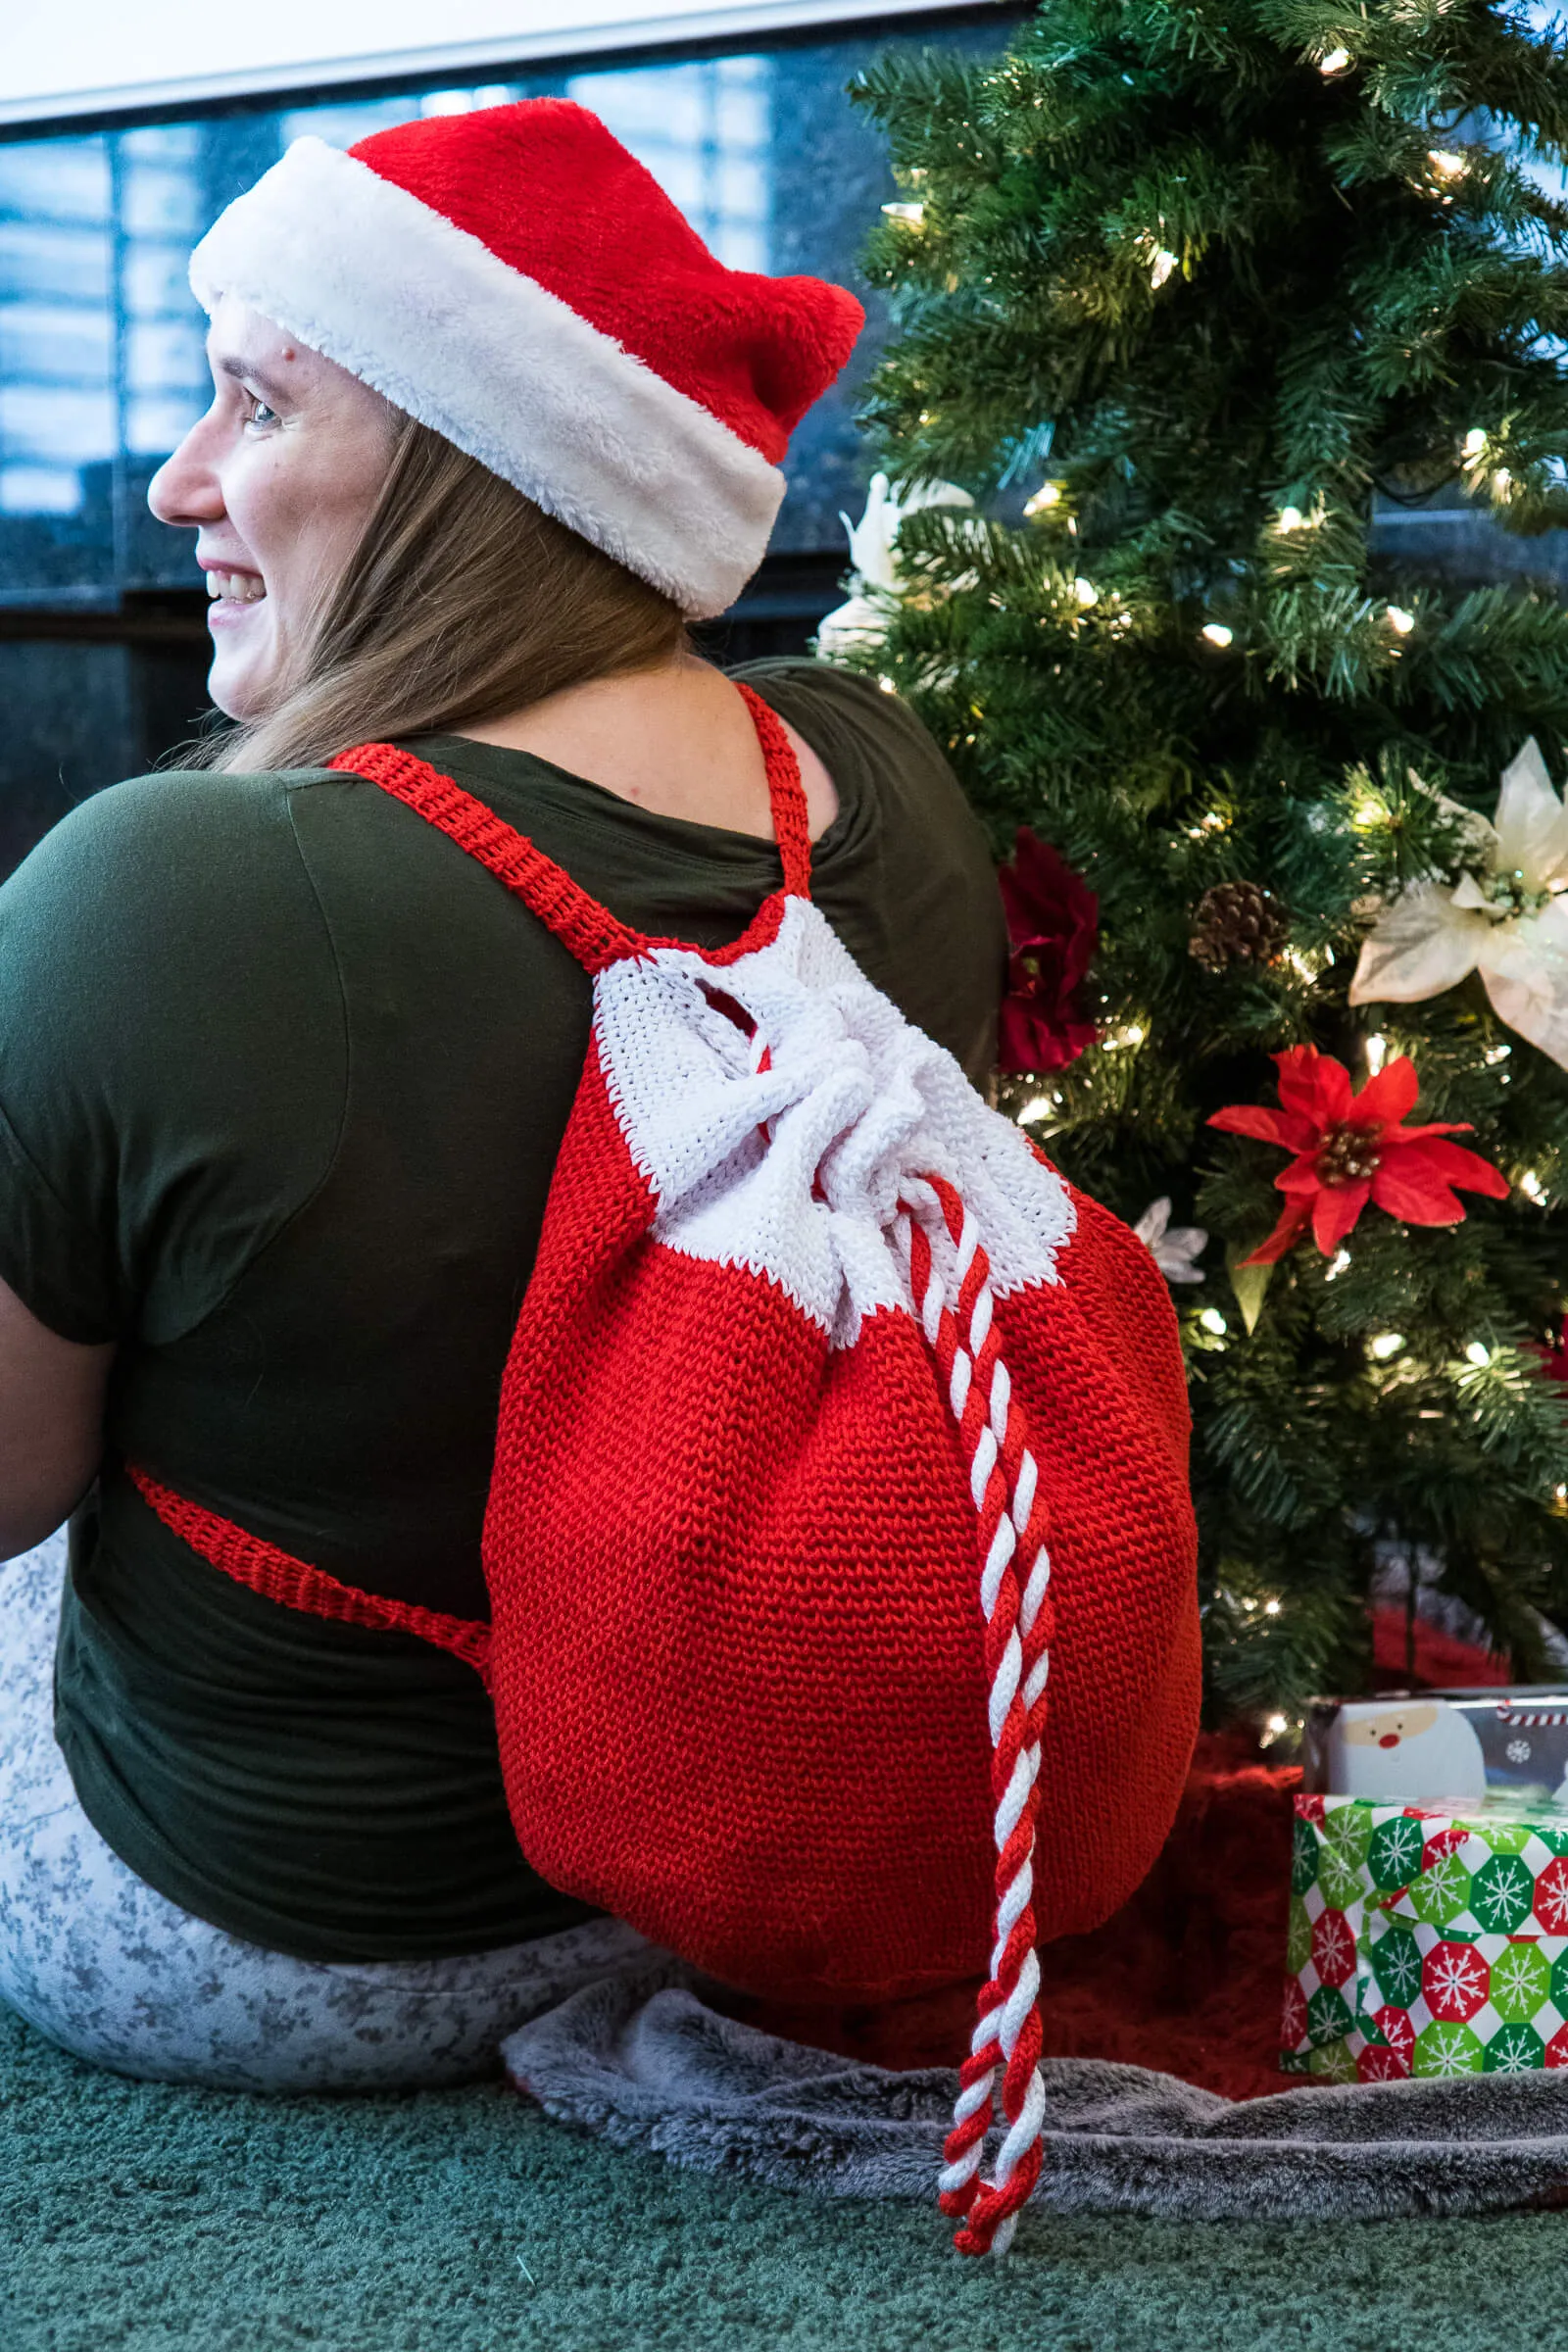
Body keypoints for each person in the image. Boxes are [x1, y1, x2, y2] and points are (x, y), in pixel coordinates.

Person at [0, 100, 1007, 2091]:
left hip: (273, 1945)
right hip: (736, 1871)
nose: (182, 482)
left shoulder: (165, 890)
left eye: (260, 411)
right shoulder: (874, 781)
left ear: (476, 470)